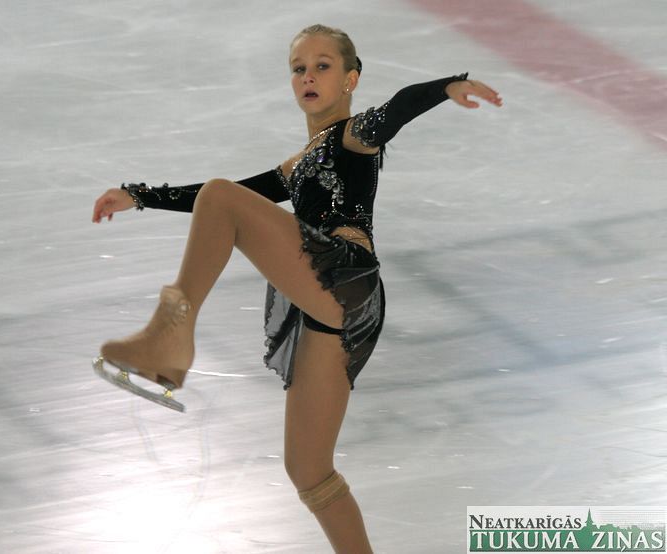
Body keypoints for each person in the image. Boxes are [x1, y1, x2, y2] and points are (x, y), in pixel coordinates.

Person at [91, 23, 502, 554]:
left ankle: (169, 337)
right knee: (308, 469)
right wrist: (140, 195)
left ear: (351, 79)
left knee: (220, 196)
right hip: (332, 306)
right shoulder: (297, 164)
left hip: (345, 278)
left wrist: (446, 87)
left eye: (322, 66)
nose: (308, 76)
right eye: (299, 69)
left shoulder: (353, 136)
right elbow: (225, 199)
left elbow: (394, 111)